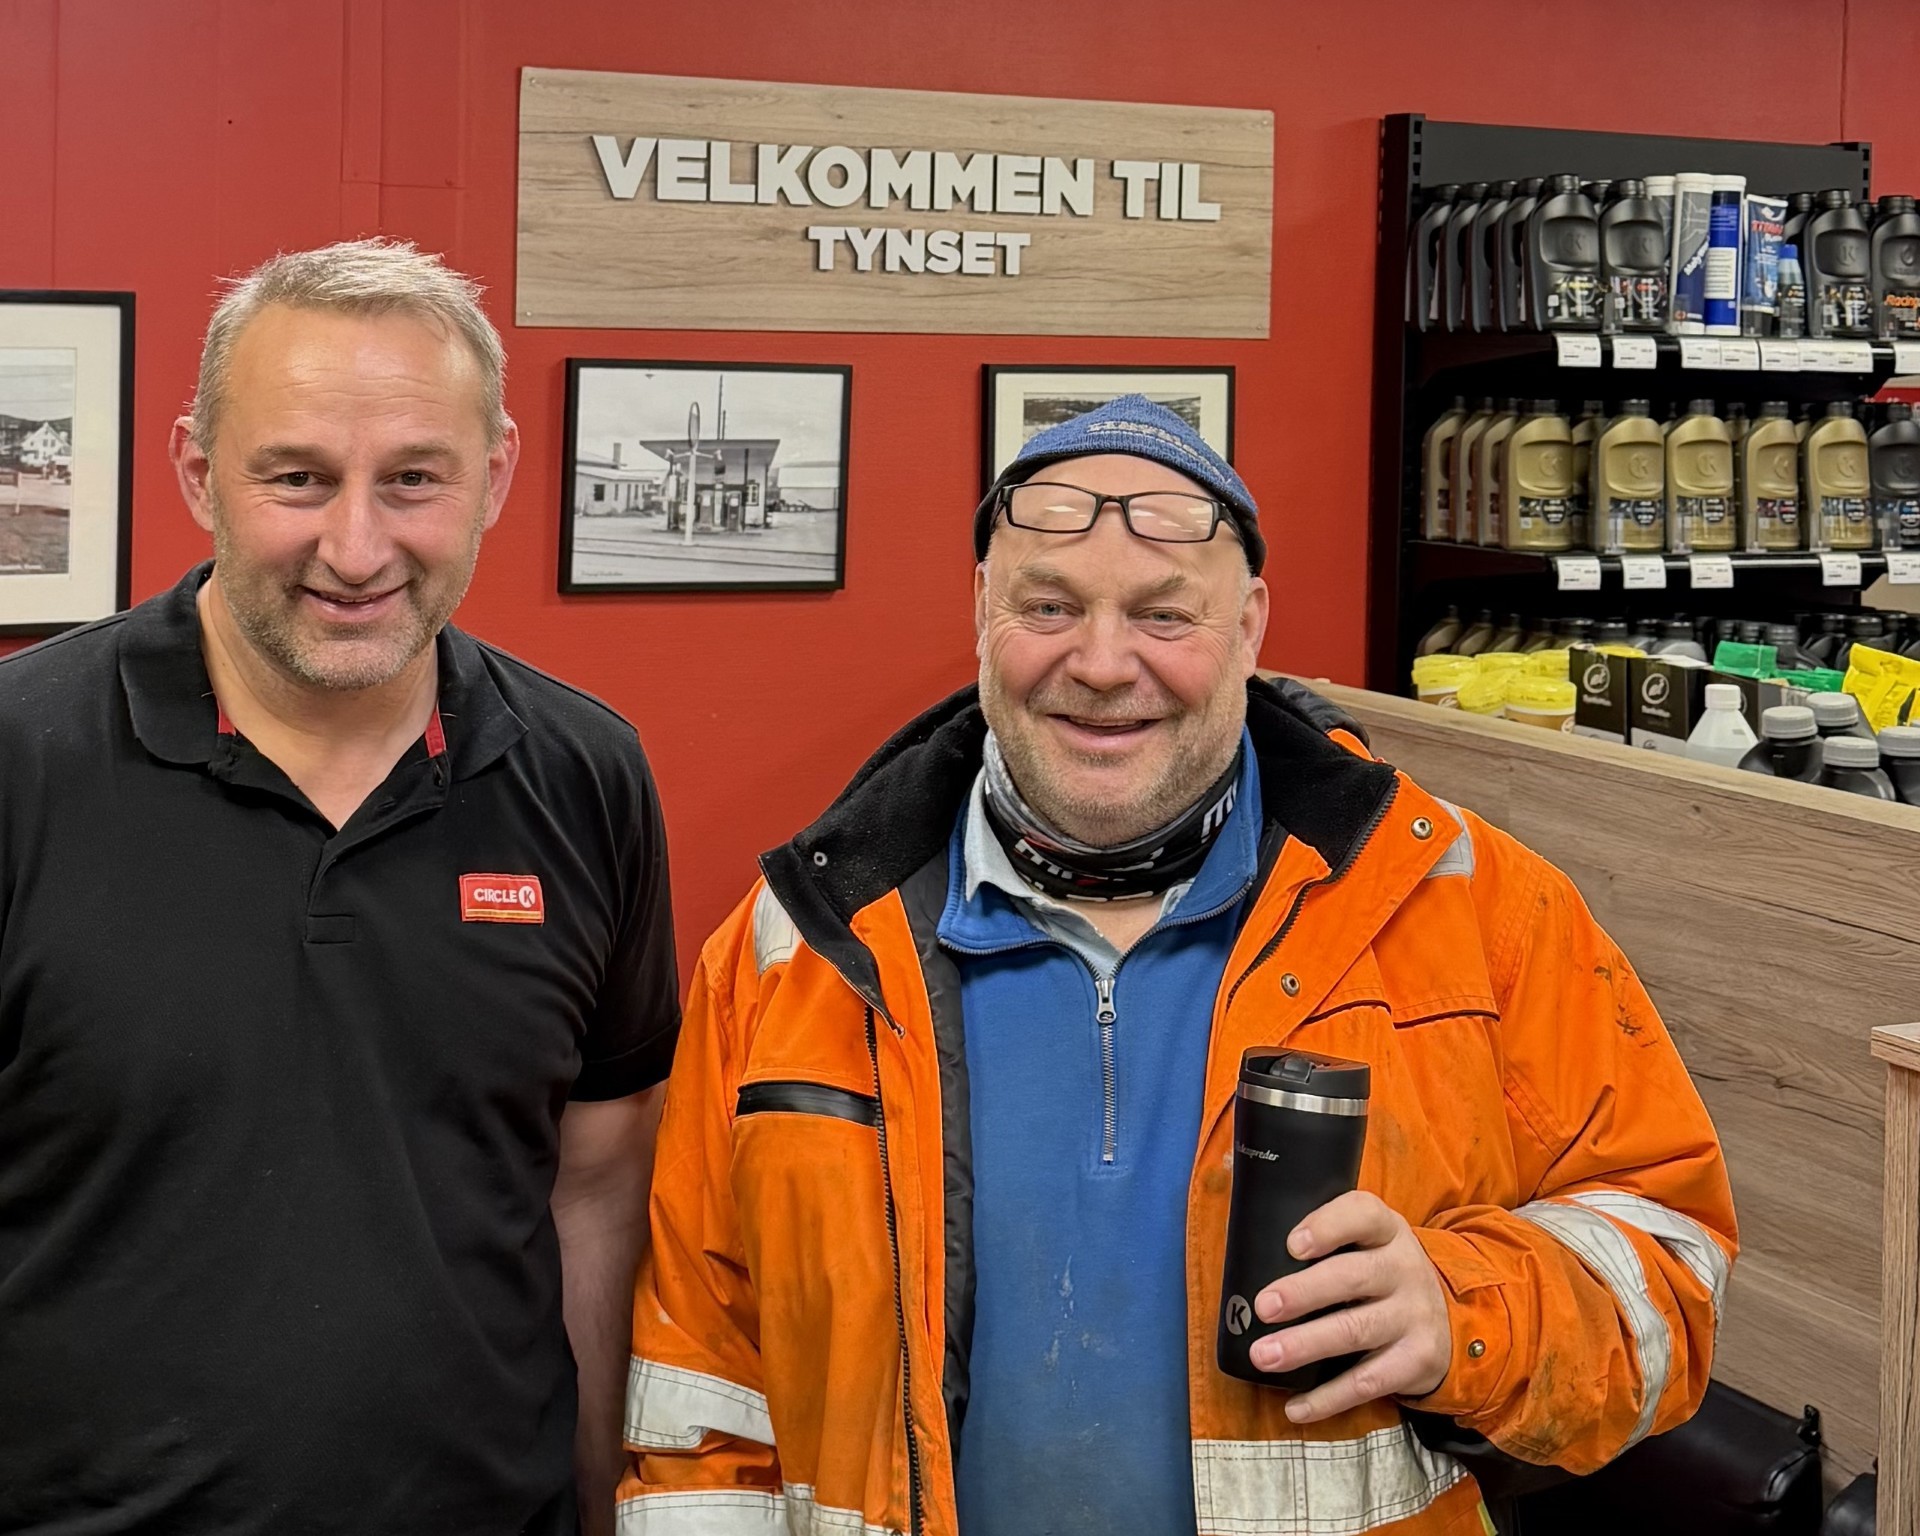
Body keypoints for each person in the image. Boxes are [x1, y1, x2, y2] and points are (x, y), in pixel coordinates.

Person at [618, 395, 1736, 1536]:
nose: (1104, 665)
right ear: (981, 612)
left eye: (1164, 614)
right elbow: (700, 1391)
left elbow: (1671, 1270)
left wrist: (1463, 1314)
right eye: (1049, 606)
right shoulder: (796, 948)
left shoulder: (1470, 906)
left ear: (1249, 627)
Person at [0, 239, 679, 1536]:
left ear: (497, 475)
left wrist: (607, 1509)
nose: (356, 547)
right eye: (298, 478)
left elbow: (597, 1188)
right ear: (198, 472)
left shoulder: (586, 772)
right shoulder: (24, 762)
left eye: (413, 479)